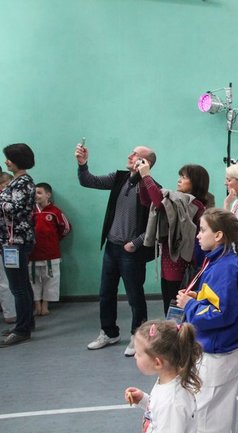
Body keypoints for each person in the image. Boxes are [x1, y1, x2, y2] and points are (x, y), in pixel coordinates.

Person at [75, 143, 156, 356]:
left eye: (135, 154)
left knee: (135, 295)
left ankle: (138, 336)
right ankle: (109, 332)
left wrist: (136, 243)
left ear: (145, 162)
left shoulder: (151, 187)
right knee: (106, 293)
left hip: (132, 251)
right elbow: (88, 181)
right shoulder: (119, 178)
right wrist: (83, 164)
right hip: (112, 247)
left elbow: (154, 224)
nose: (129, 156)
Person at [175, 208, 238, 433]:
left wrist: (190, 305)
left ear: (218, 235)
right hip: (225, 348)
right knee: (220, 413)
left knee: (207, 416)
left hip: (218, 353)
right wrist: (199, 297)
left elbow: (222, 313)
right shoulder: (221, 262)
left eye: (203, 230)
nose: (198, 235)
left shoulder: (224, 268)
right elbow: (221, 300)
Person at [137, 162, 209, 315]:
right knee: (169, 309)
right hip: (168, 266)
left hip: (182, 268)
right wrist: (141, 179)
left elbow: (159, 202)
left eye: (184, 177)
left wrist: (146, 176)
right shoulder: (178, 200)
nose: (179, 180)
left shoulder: (194, 204)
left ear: (196, 182)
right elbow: (148, 201)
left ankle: (178, 331)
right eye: (180, 176)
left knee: (177, 312)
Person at [124, 320, 203, 433]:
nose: (135, 356)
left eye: (139, 353)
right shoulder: (167, 381)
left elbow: (166, 410)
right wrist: (144, 400)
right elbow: (159, 410)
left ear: (157, 363)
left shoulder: (172, 402)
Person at [0, 143, 36, 347]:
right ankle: (27, 322)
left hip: (16, 242)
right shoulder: (17, 181)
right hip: (11, 240)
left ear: (17, 160)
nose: (6, 162)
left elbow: (17, 209)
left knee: (18, 287)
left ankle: (22, 330)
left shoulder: (23, 182)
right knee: (22, 284)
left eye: (9, 158)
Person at [29, 182, 72, 316]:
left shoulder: (55, 211)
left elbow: (66, 228)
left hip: (51, 253)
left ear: (48, 195)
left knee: (51, 280)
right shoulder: (30, 211)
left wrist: (54, 239)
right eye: (34, 193)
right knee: (33, 280)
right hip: (32, 253)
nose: (36, 195)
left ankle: (45, 305)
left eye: (39, 193)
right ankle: (37, 305)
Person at [0, 172, 16, 325]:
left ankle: (10, 313)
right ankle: (10, 313)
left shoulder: (7, 198)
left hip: (6, 243)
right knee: (5, 280)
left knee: (6, 280)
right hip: (6, 242)